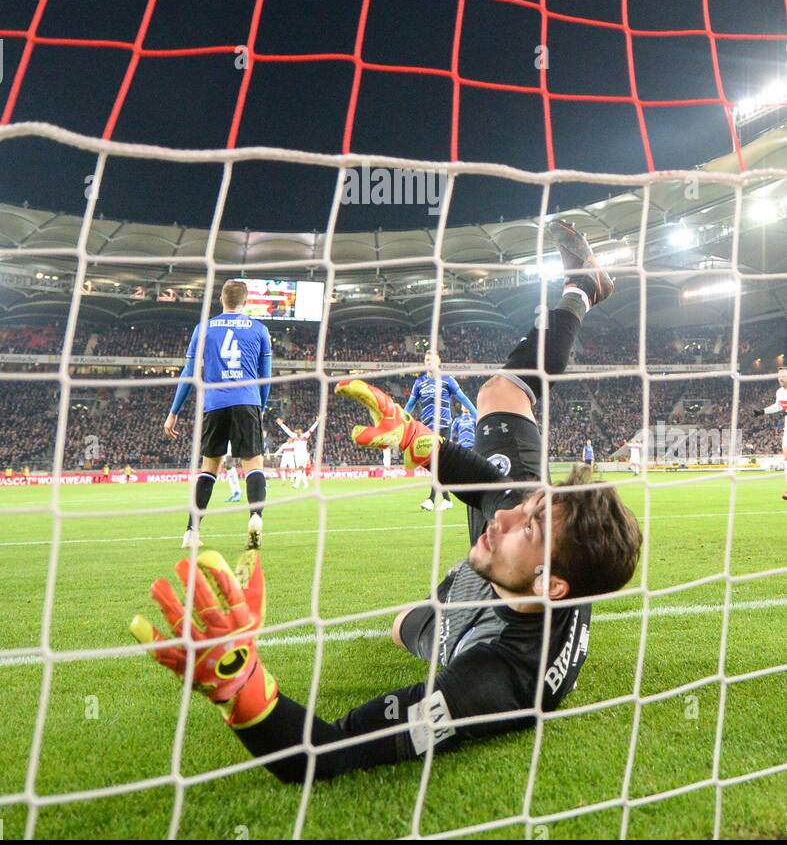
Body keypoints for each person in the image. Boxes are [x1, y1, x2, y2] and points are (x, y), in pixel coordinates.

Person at [133, 226, 641, 781]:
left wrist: (242, 688)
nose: (505, 514)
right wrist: (414, 440)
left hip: (473, 625)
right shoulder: (535, 535)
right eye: (531, 504)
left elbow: (323, 754)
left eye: (529, 524)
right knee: (503, 393)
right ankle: (581, 289)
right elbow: (490, 490)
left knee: (404, 627)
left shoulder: (490, 682)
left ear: (551, 585)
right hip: (516, 588)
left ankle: (584, 289)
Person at [164, 279, 271, 551]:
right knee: (253, 465)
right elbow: (265, 378)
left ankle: (191, 531)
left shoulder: (204, 328)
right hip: (247, 401)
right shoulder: (259, 329)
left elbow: (188, 375)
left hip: (214, 404)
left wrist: (173, 411)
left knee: (209, 468)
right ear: (245, 302)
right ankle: (256, 518)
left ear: (221, 300)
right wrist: (261, 409)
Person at [406, 351, 475, 511]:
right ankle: (446, 499)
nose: (429, 361)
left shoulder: (447, 380)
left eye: (432, 359)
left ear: (439, 361)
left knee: (436, 461)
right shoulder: (419, 382)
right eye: (426, 359)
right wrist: (401, 419)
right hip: (426, 428)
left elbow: (463, 398)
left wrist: (476, 415)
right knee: (436, 464)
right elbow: (410, 404)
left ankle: (431, 500)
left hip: (443, 426)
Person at [753, 367, 787, 498]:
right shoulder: (780, 392)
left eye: (783, 375)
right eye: (779, 376)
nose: (780, 378)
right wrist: (762, 411)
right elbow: (778, 406)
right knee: (785, 455)